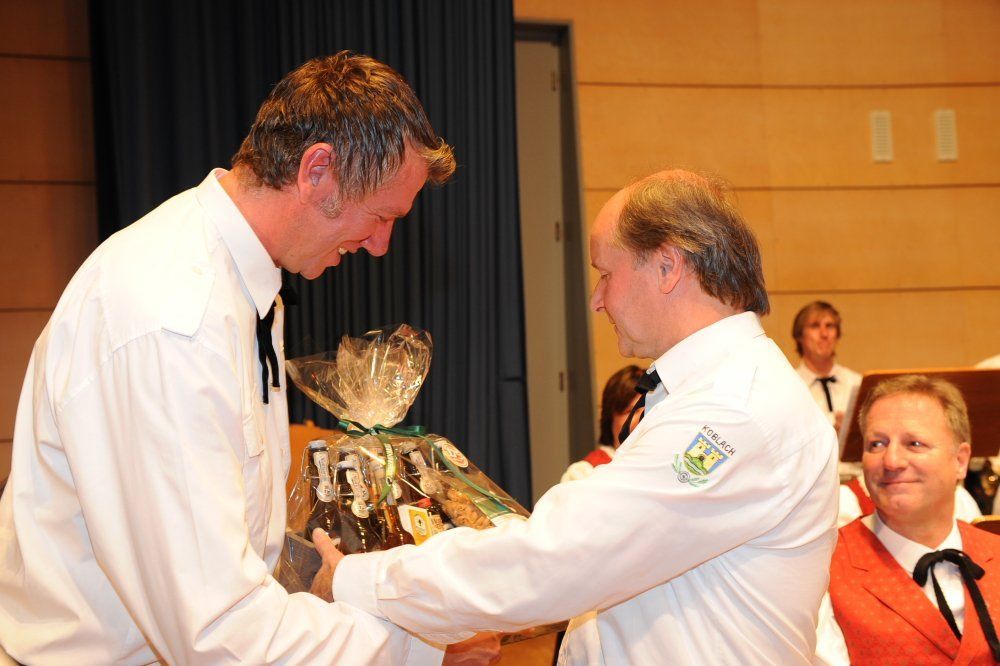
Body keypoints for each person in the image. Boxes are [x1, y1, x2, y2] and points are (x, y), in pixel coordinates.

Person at [0, 52, 459, 664]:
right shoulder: (175, 318)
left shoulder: (242, 279)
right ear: (317, 170)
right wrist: (421, 650)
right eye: (381, 216)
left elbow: (229, 540)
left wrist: (332, 578)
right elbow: (218, 633)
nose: (380, 246)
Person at [326, 169, 839, 664]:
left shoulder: (734, 408)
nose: (597, 299)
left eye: (606, 274)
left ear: (667, 266)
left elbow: (560, 559)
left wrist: (361, 580)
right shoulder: (716, 390)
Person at [815, 375, 1000, 665]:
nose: (891, 461)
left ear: (960, 461)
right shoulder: (824, 571)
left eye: (914, 443)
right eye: (877, 444)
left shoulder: (995, 552)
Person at [560, 364, 643, 483]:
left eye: (649, 410)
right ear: (610, 417)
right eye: (630, 411)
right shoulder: (584, 473)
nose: (642, 419)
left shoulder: (663, 463)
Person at [792, 301, 861, 432]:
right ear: (799, 335)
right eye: (815, 326)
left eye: (830, 326)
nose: (824, 334)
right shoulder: (790, 386)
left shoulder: (857, 383)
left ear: (837, 335)